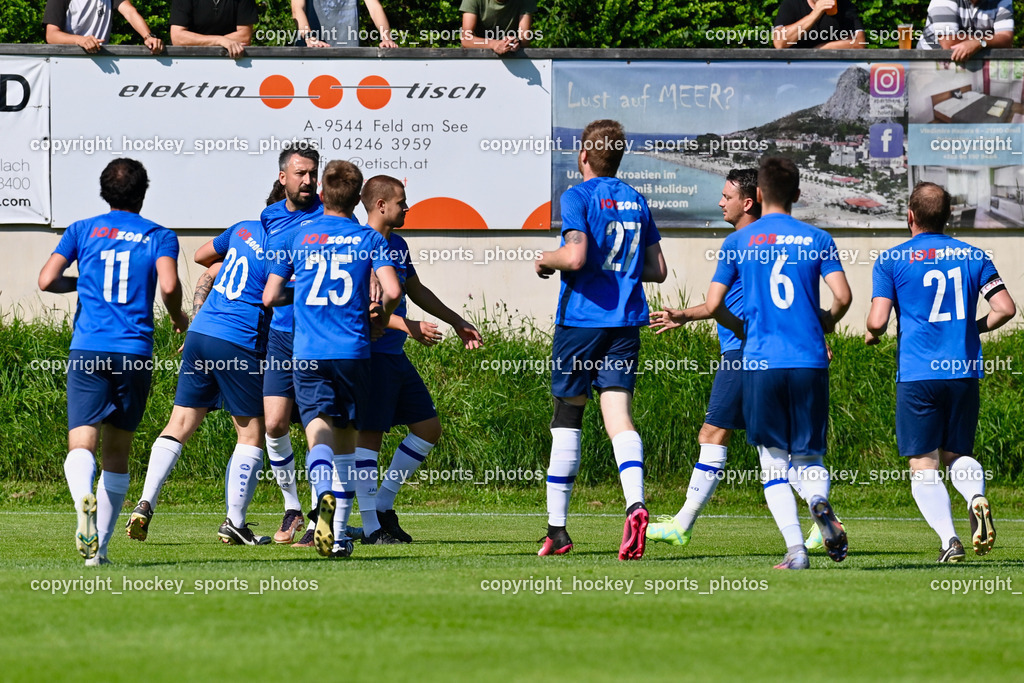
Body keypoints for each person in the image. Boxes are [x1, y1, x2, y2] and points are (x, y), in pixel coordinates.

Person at [38, 158, 188, 566]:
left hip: (88, 348)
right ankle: (98, 550)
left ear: (104, 190)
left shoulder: (81, 230)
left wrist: (81, 283)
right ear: (143, 191)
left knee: (81, 441)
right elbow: (170, 285)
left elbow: (47, 279)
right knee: (117, 451)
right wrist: (178, 319)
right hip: (133, 352)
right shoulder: (159, 235)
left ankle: (80, 504)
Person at [705, 156, 851, 570]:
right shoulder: (818, 238)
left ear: (760, 195)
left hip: (760, 362)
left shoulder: (738, 243)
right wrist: (824, 321)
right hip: (808, 361)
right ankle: (819, 500)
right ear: (798, 196)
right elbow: (843, 297)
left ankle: (795, 551)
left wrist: (743, 328)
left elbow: (715, 304)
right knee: (808, 458)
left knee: (773, 461)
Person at [534, 119, 667, 561]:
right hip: (627, 321)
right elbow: (657, 270)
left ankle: (557, 530)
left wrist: (545, 260)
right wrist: (620, 269)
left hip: (582, 322)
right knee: (619, 417)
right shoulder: (637, 199)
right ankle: (635, 502)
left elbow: (574, 256)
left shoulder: (577, 195)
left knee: (567, 418)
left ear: (584, 156)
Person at [866, 182, 1015, 563]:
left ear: (910, 216)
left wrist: (873, 333)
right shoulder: (974, 255)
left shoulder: (891, 261)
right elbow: (1006, 309)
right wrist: (973, 327)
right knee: (957, 453)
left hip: (918, 375)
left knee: (923, 464)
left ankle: (950, 540)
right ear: (948, 217)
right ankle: (975, 496)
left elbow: (878, 320)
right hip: (962, 371)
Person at [263, 160, 402, 559]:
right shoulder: (368, 239)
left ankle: (321, 498)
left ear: (322, 192)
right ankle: (338, 535)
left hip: (308, 352)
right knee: (346, 441)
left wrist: (303, 293)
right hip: (354, 351)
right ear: (359, 199)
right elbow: (391, 289)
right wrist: (379, 315)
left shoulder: (298, 236)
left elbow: (271, 297)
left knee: (318, 434)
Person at [127, 199, 276, 546]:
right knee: (251, 434)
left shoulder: (243, 229)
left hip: (201, 334)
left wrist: (197, 316)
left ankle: (144, 502)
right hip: (238, 341)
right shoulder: (286, 245)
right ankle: (235, 523)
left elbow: (204, 263)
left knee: (178, 424)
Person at [353, 175, 483, 545]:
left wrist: (456, 321)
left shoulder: (398, 244)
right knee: (369, 440)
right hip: (370, 355)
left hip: (395, 355)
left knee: (428, 429)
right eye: (401, 201)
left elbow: (414, 288)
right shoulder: (358, 243)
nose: (407, 207)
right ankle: (370, 527)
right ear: (380, 205)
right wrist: (407, 325)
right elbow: (360, 303)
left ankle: (381, 506)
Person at [645, 169, 760, 547]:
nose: (720, 202)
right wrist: (682, 315)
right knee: (776, 444)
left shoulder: (739, 243)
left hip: (742, 355)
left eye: (726, 196)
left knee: (712, 434)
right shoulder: (773, 243)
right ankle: (822, 517)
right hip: (772, 354)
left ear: (747, 202)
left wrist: (685, 314)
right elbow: (723, 305)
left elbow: (717, 303)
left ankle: (683, 523)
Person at [258, 144, 325, 546]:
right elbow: (271, 277)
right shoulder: (270, 217)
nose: (307, 180)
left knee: (318, 429)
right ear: (283, 177)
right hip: (281, 336)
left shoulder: (331, 214)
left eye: (312, 173)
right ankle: (292, 508)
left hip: (319, 337)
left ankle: (321, 515)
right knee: (275, 424)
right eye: (300, 173)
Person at [43, 0, 164, 54]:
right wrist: (81, 40)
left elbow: (130, 12)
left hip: (102, 62)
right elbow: (52, 35)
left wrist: (148, 36)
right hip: (68, 61)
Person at [918, 0, 1013, 61]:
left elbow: (1006, 39)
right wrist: (990, 40)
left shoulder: (1002, 1)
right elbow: (950, 43)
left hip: (972, 68)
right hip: (929, 66)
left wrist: (980, 42)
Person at [169, 0, 258, 59]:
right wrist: (219, 40)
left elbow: (244, 37)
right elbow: (177, 38)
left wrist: (197, 40)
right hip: (190, 60)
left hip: (231, 61)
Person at [291, 0, 397, 47]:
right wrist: (310, 38)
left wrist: (386, 38)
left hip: (347, 53)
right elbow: (297, 8)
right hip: (309, 51)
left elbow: (375, 8)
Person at [772, 0, 866, 49]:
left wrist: (820, 49)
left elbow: (859, 42)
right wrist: (815, 14)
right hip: (794, 70)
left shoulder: (843, 4)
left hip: (831, 70)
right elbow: (779, 42)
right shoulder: (792, 3)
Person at [460, 0, 536, 55]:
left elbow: (525, 39)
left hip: (513, 58)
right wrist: (493, 44)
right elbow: (466, 39)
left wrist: (516, 42)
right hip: (476, 56)